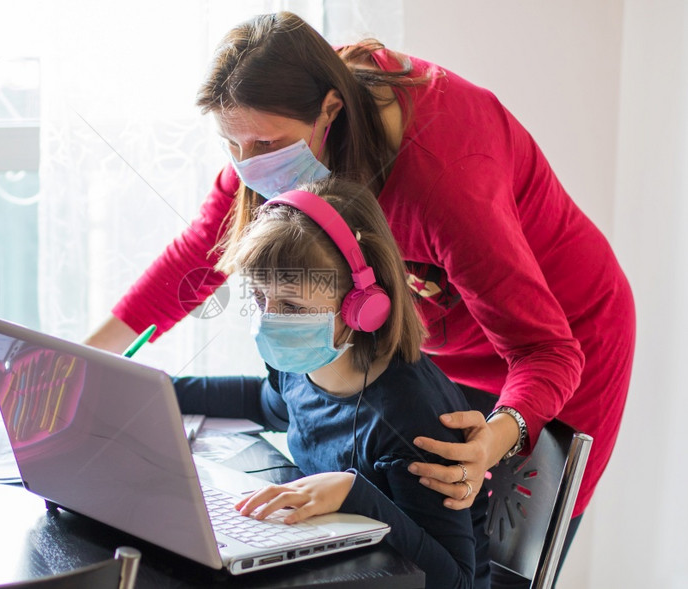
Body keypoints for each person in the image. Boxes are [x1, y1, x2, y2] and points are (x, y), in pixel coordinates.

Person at [85, 11, 636, 585]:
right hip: (440, 349)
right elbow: (203, 251)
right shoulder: (271, 125)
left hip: (562, 340)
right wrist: (89, 362)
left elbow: (546, 349)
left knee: (497, 560)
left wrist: (497, 436)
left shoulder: (446, 177)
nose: (248, 165)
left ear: (330, 110)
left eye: (264, 144)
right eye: (232, 145)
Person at [174, 177, 488, 588]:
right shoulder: (303, 365)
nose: (269, 318)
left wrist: (352, 493)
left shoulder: (412, 416)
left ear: (362, 309)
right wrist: (161, 391)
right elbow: (266, 403)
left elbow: (458, 581)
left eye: (291, 305)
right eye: (259, 298)